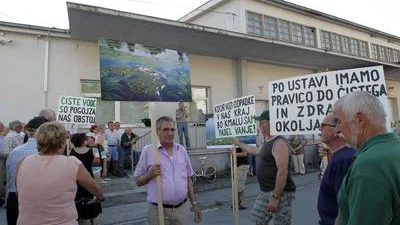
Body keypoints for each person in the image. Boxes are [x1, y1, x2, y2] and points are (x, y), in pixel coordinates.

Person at [15, 121, 104, 225]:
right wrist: (100, 197)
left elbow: (19, 192)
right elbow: (94, 187)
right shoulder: (71, 163)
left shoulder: (22, 162)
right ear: (61, 143)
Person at [334, 91, 400, 225]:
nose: (336, 129)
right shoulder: (394, 147)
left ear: (360, 119)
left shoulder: (369, 165)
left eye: (339, 121)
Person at [134, 116, 202, 225]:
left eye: (172, 129)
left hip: (182, 210)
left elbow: (188, 179)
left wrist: (194, 204)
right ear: (157, 131)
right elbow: (138, 181)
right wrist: (150, 174)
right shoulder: (149, 151)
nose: (170, 133)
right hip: (158, 211)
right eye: (166, 129)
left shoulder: (181, 150)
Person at [233, 110, 296, 225]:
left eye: (263, 122)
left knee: (281, 222)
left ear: (273, 123)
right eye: (260, 123)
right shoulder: (268, 142)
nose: (260, 126)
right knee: (257, 219)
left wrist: (275, 197)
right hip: (265, 191)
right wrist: (238, 143)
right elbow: (254, 150)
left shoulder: (279, 142)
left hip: (280, 193)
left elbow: (282, 172)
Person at [5, 117, 48, 225]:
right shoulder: (46, 154)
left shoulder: (15, 151)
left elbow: (10, 179)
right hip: (36, 203)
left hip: (14, 200)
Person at [317, 113, 356, 225]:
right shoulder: (338, 156)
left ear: (337, 131)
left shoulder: (343, 160)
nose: (320, 129)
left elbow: (344, 202)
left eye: (323, 125)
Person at [70, 133, 103, 225]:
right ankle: (93, 222)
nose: (87, 140)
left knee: (78, 199)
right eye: (85, 139)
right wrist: (97, 181)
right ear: (82, 141)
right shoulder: (92, 150)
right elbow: (96, 167)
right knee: (91, 197)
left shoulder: (72, 151)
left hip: (77, 179)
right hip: (89, 177)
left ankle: (81, 221)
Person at [1, 120, 23, 207]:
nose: (21, 128)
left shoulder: (13, 135)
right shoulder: (12, 136)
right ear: (15, 127)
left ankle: (9, 201)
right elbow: (7, 152)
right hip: (13, 161)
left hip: (12, 161)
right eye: (20, 127)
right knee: (12, 183)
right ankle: (9, 201)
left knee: (11, 183)